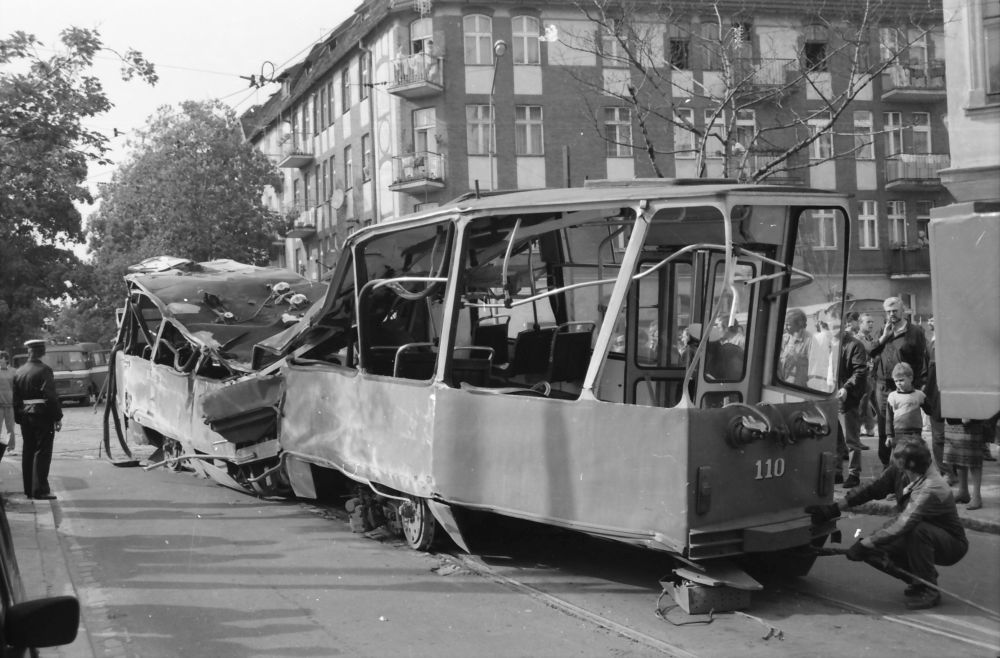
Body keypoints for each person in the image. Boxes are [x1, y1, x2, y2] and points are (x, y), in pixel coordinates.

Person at [806, 441, 968, 610]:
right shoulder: (903, 468)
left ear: (912, 467)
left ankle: (930, 590)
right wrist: (834, 508)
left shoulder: (932, 486)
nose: (899, 470)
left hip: (950, 544)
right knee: (873, 550)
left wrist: (865, 543)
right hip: (915, 532)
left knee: (917, 532)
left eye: (902, 467)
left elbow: (903, 524)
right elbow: (872, 488)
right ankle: (918, 578)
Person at [868, 297, 929, 466]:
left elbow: (921, 360)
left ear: (903, 310)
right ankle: (886, 467)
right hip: (883, 386)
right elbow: (871, 352)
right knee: (884, 428)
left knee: (905, 428)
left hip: (904, 388)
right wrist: (884, 336)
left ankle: (906, 465)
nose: (891, 314)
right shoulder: (883, 329)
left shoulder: (915, 331)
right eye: (888, 311)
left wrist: (916, 385)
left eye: (894, 310)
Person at [12, 339, 63, 500]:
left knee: (28, 451)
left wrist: (19, 417)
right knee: (42, 452)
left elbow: (16, 399)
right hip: (42, 415)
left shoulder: (19, 371)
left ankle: (29, 489)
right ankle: (40, 490)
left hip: (25, 415)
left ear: (29, 352)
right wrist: (57, 417)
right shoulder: (44, 370)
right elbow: (50, 397)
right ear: (43, 352)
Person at [832, 319, 869, 488]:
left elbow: (860, 370)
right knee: (835, 437)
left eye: (835, 326)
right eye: (829, 326)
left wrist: (846, 388)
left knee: (850, 438)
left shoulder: (855, 345)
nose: (832, 330)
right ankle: (837, 472)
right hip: (829, 395)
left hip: (847, 397)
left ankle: (854, 474)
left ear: (843, 325)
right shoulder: (828, 343)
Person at [944, 419, 985, 510]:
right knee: (958, 454)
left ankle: (976, 496)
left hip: (971, 415)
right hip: (953, 417)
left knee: (973, 454)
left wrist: (968, 412)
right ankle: (963, 492)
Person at [885, 362, 927, 448]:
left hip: (916, 432)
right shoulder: (892, 396)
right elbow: (889, 418)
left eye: (901, 380)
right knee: (899, 457)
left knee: (916, 455)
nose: (898, 383)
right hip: (899, 433)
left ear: (910, 378)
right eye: (896, 381)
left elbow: (930, 410)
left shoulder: (919, 395)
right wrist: (889, 435)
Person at [856, 313, 879, 436]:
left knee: (874, 403)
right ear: (860, 324)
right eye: (868, 322)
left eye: (872, 322)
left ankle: (870, 428)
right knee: (863, 404)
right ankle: (857, 429)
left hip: (873, 376)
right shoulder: (858, 339)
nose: (871, 324)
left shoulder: (870, 338)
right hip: (863, 376)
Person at [779, 308, 812, 386]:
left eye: (788, 324)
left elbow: (812, 368)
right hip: (782, 385)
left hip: (798, 389)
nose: (785, 327)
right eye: (785, 324)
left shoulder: (809, 340)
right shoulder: (784, 339)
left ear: (799, 324)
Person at [0, 353, 16, 461]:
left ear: (5, 359)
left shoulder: (14, 371)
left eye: (0, 359)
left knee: (10, 428)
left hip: (10, 403)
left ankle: (11, 448)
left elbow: (17, 386)